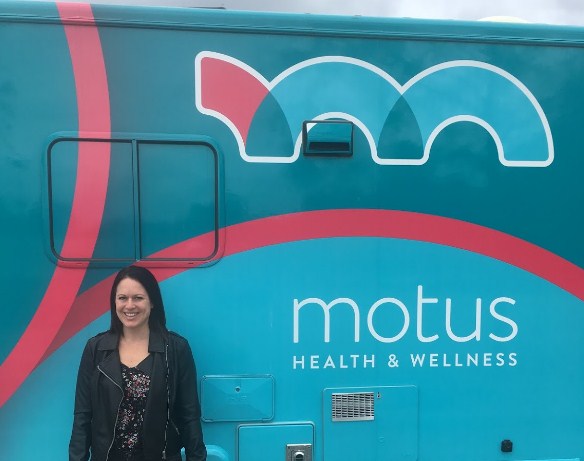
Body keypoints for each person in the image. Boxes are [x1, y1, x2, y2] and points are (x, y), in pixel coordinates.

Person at [69, 265, 207, 461]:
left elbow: (189, 417)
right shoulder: (96, 349)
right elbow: (82, 417)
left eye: (138, 298)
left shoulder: (176, 349)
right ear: (114, 302)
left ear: (152, 302)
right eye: (122, 298)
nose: (129, 305)